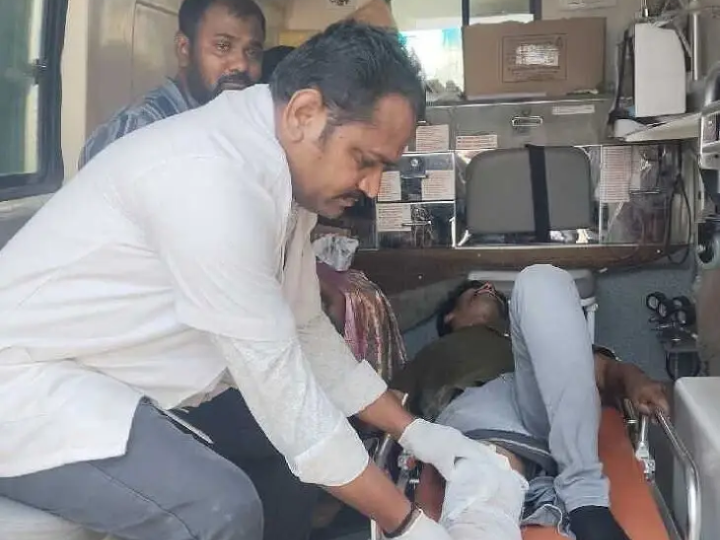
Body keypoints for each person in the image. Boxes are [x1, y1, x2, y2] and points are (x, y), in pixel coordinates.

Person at [0, 21, 487, 540]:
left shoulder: (280, 168)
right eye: (365, 162)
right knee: (219, 510)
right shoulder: (211, 181)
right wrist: (407, 525)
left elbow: (305, 329)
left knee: (289, 454)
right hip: (30, 390)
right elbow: (289, 404)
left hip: (109, 377)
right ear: (304, 113)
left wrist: (417, 432)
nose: (372, 186)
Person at [391, 265, 669, 540]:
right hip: (478, 412)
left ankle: (586, 500)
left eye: (492, 290)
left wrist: (636, 380)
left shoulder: (536, 333)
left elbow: (601, 371)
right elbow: (388, 405)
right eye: (474, 291)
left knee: (541, 278)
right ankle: (492, 508)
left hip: (551, 406)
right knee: (487, 469)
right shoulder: (431, 354)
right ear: (449, 316)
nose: (488, 287)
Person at [78, 0, 266, 168]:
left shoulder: (243, 126)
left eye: (252, 52)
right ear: (184, 49)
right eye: (223, 46)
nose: (241, 64)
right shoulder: (142, 128)